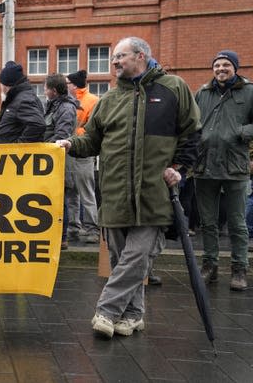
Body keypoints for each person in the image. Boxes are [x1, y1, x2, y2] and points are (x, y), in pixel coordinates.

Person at [56, 37, 201, 338]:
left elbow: (193, 135)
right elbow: (92, 141)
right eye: (113, 58)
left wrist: (179, 169)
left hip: (154, 194)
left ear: (141, 56)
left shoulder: (173, 88)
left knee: (137, 257)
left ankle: (106, 311)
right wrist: (70, 144)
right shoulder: (109, 100)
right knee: (123, 261)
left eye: (120, 56)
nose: (114, 62)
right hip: (115, 195)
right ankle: (134, 315)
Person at [194, 50, 253, 291]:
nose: (221, 69)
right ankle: (210, 266)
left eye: (226, 65)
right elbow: (191, 123)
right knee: (208, 223)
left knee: (237, 223)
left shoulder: (249, 92)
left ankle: (239, 269)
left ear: (235, 68)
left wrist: (241, 132)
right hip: (205, 165)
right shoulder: (202, 93)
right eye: (217, 65)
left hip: (235, 165)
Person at [43, 73, 78, 250]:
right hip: (52, 159)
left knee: (60, 199)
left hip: (60, 160)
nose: (44, 91)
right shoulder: (54, 106)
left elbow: (61, 135)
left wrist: (42, 148)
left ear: (54, 91)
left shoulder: (65, 108)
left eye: (46, 88)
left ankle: (62, 238)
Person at [65, 70, 100, 245]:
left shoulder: (92, 101)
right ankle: (73, 227)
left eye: (68, 83)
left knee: (86, 191)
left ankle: (93, 228)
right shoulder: (70, 101)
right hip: (71, 150)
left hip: (83, 151)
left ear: (74, 85)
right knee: (71, 191)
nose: (66, 86)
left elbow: (93, 128)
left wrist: (72, 134)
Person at [0, 61, 46, 144]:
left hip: (15, 155)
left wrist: (19, 146)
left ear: (5, 84)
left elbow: (38, 124)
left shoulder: (22, 100)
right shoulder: (19, 98)